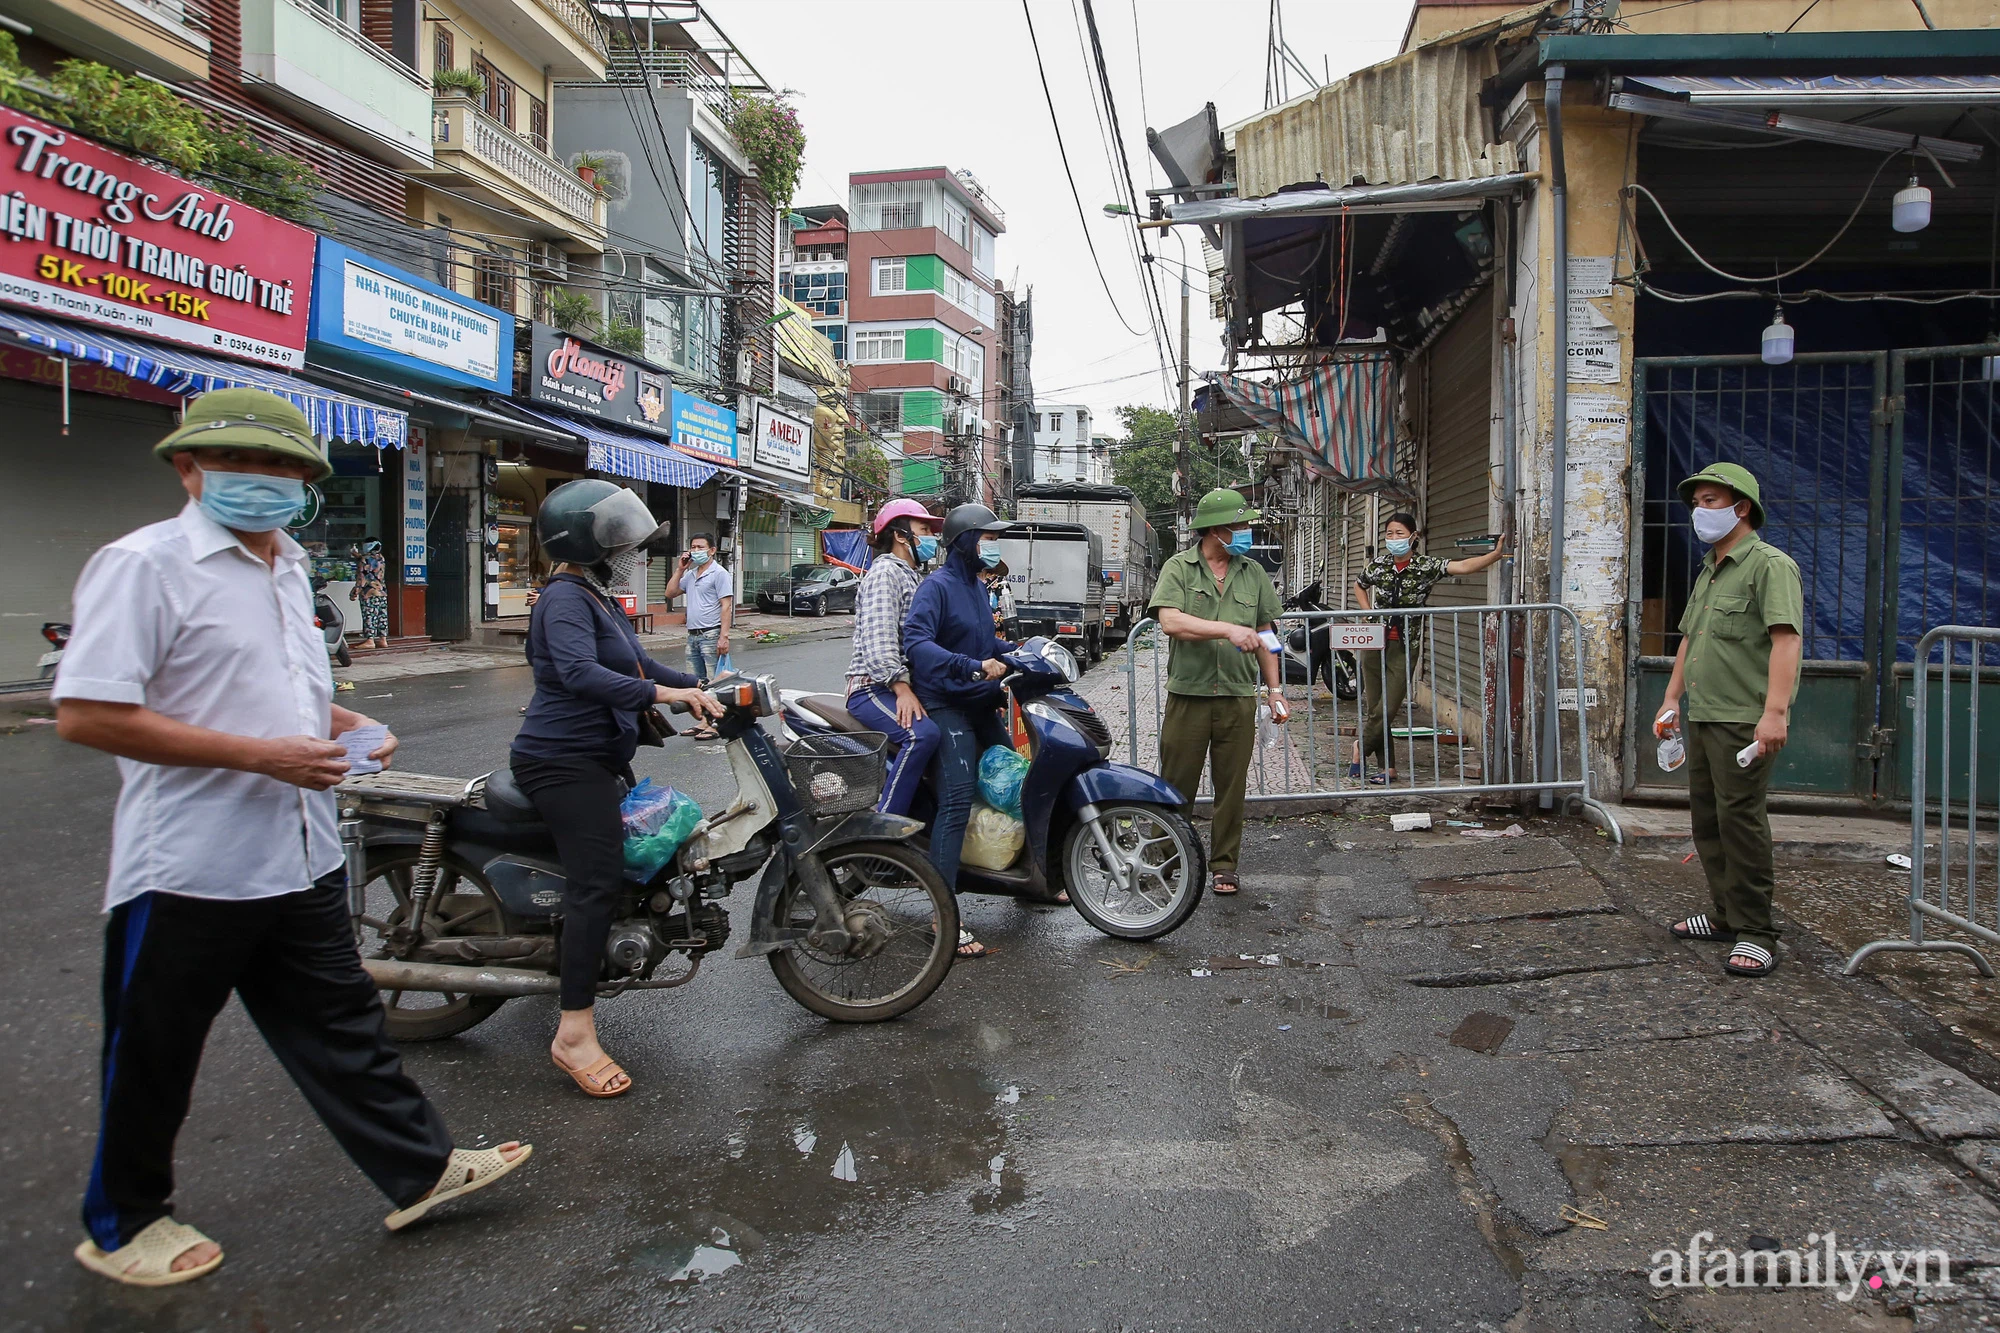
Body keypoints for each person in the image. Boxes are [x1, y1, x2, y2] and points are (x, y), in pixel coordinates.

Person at [52, 388, 531, 1288]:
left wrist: (349, 721)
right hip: (189, 864)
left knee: (343, 1025)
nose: (265, 482)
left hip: (302, 853)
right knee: (156, 1046)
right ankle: (123, 1221)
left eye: (284, 468)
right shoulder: (143, 565)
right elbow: (85, 714)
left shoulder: (286, 566)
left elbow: (278, 691)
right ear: (189, 469)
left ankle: (420, 1169)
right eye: (244, 463)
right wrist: (257, 755)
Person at [513, 480, 725, 1096]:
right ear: (585, 542)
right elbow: (581, 673)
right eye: (621, 544)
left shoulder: (594, 595)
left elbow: (639, 666)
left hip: (596, 758)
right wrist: (668, 695)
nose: (631, 553)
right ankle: (573, 1033)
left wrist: (702, 685)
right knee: (597, 881)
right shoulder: (563, 600)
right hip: (561, 760)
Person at [1654, 463, 1803, 978]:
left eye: (1711, 501)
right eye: (1697, 502)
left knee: (1741, 823)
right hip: (1703, 713)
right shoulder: (1710, 568)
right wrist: (1671, 699)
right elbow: (1690, 638)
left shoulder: (1769, 566)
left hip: (1744, 718)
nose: (1700, 511)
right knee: (1708, 822)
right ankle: (1724, 915)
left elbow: (1786, 640)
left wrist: (1774, 715)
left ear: (1742, 508)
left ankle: (1757, 931)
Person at [1149, 488, 1289, 896]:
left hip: (1236, 697)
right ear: (1216, 529)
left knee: (1232, 786)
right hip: (1189, 697)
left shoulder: (1253, 573)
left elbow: (1267, 634)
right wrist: (1228, 629)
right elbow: (1171, 622)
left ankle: (1224, 864)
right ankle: (1165, 857)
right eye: (1240, 524)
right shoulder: (1179, 568)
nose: (1246, 532)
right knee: (1176, 784)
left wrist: (1275, 689)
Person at [905, 503, 1015, 957]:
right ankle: (941, 914)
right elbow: (916, 643)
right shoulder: (937, 587)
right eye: (987, 538)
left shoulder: (975, 586)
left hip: (979, 701)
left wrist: (1021, 650)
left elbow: (986, 643)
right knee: (956, 801)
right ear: (965, 542)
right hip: (946, 703)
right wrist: (970, 665)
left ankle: (1030, 879)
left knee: (1013, 780)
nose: (993, 545)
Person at [1351, 513, 1507, 784]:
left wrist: (1493, 556)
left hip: (1405, 644)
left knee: (1388, 706)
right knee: (1375, 706)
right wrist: (1367, 613)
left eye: (1399, 533)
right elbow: (1359, 585)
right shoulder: (1379, 565)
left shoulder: (1426, 566)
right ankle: (1387, 768)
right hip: (1374, 640)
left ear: (1414, 537)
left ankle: (1359, 748)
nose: (1393, 539)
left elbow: (1463, 567)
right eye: (1389, 534)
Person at [845, 499, 944, 818]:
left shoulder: (913, 576)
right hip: (872, 688)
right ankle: (884, 826)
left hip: (897, 686)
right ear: (901, 535)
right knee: (923, 735)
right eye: (924, 529)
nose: (931, 537)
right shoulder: (886, 572)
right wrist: (901, 689)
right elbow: (879, 641)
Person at [663, 530, 733, 688]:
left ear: (712, 550)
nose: (695, 551)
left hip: (711, 635)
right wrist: (680, 569)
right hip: (692, 636)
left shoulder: (719, 574)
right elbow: (670, 593)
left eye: (700, 547)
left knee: (717, 683)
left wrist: (724, 637)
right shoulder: (690, 574)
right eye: (693, 547)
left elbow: (726, 606)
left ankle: (719, 712)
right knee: (695, 683)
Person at [352, 538, 389, 649]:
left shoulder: (364, 560)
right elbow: (371, 564)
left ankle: (370, 640)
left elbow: (362, 578)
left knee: (369, 615)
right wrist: (358, 556)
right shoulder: (381, 558)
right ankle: (383, 639)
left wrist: (355, 591)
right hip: (381, 592)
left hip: (369, 593)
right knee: (381, 616)